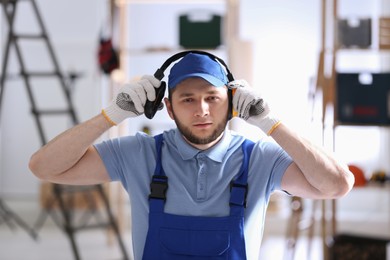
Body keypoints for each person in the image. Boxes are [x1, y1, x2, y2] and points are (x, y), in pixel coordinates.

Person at [29, 52, 354, 260]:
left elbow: (336, 185)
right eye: (187, 99)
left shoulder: (260, 159)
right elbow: (44, 167)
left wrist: (270, 123)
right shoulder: (138, 154)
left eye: (212, 98)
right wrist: (111, 115)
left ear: (231, 102)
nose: (202, 110)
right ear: (167, 108)